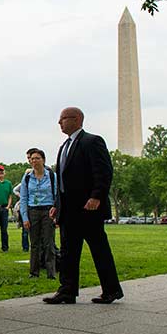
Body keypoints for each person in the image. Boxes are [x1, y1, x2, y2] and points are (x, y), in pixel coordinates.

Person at [43, 107, 123, 305]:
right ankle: (67, 291)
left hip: (88, 209)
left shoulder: (92, 141)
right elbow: (63, 181)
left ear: (76, 119)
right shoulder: (64, 146)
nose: (59, 123)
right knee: (68, 251)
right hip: (68, 210)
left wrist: (96, 196)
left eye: (62, 119)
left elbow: (103, 172)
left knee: (99, 249)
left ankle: (111, 290)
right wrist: (56, 205)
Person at [19, 149, 57, 279]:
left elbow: (57, 195)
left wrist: (56, 213)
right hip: (33, 210)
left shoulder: (52, 176)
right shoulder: (27, 178)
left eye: (37, 158)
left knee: (48, 242)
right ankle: (34, 272)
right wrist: (25, 217)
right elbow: (23, 198)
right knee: (34, 243)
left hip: (48, 211)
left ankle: (51, 272)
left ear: (43, 160)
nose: (34, 161)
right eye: (32, 159)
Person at [0, 165, 13, 252]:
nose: (0, 173)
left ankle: (5, 248)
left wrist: (8, 206)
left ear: (4, 173)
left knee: (4, 230)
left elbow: (10, 196)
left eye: (2, 172)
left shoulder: (8, 183)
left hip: (4, 208)